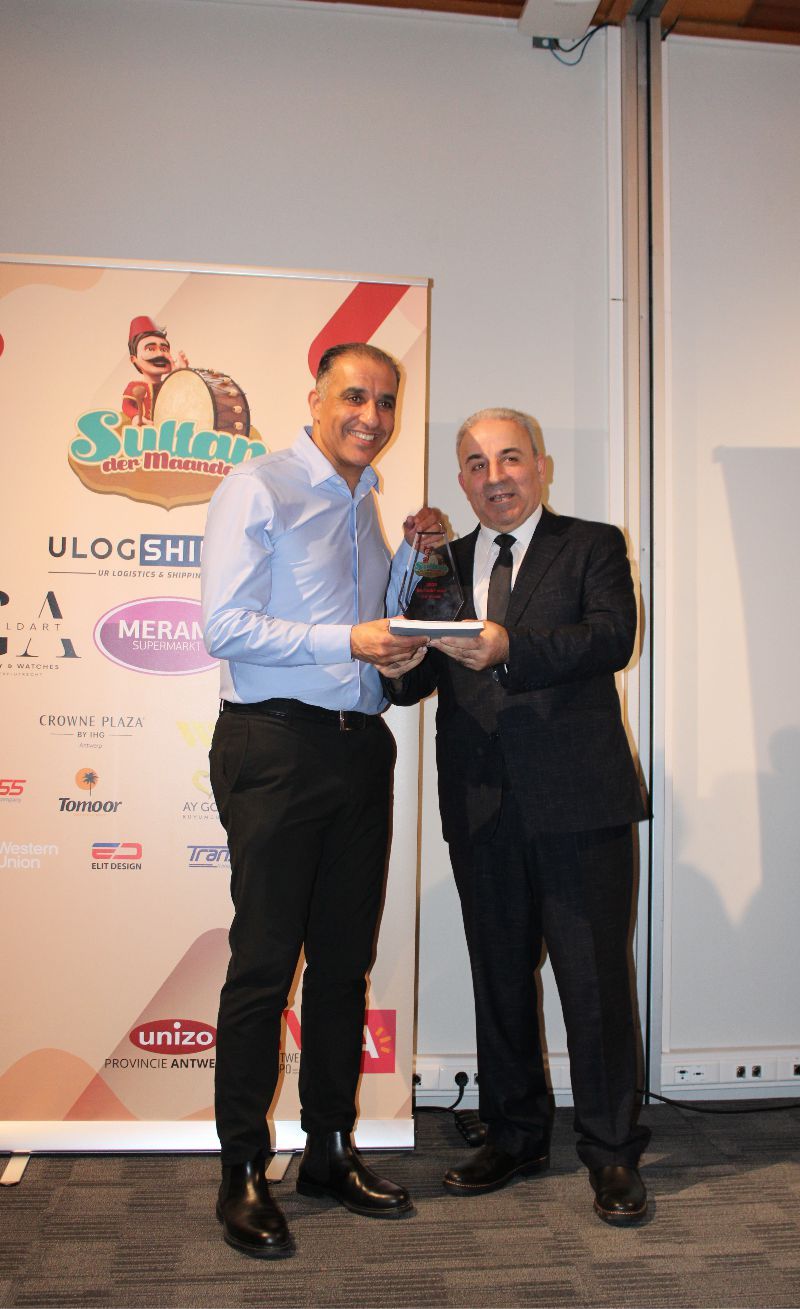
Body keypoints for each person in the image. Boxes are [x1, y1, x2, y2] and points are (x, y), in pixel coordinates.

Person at [380, 407, 652, 1224]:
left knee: (594, 983)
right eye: (476, 463)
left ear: (541, 465)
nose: (494, 476)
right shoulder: (443, 562)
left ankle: (610, 1149)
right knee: (498, 978)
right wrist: (397, 660)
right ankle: (515, 1133)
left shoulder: (592, 544)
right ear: (462, 479)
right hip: (480, 803)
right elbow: (415, 682)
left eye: (509, 458)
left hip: (581, 802)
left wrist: (512, 649)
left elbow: (612, 637)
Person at [201, 342, 437, 1259]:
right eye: (354, 396)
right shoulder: (258, 486)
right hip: (274, 744)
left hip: (357, 748)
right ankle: (241, 1168)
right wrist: (349, 637)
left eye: (385, 401)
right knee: (264, 964)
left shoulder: (364, 501)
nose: (371, 416)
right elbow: (223, 625)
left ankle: (330, 1149)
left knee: (344, 964)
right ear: (315, 399)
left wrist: (413, 561)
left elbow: (378, 623)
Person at [122, 315, 189, 425]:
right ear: (134, 359)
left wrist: (180, 375)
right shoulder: (135, 386)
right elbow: (127, 405)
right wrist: (136, 417)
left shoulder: (169, 386)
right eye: (150, 349)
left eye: (164, 349)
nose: (160, 354)